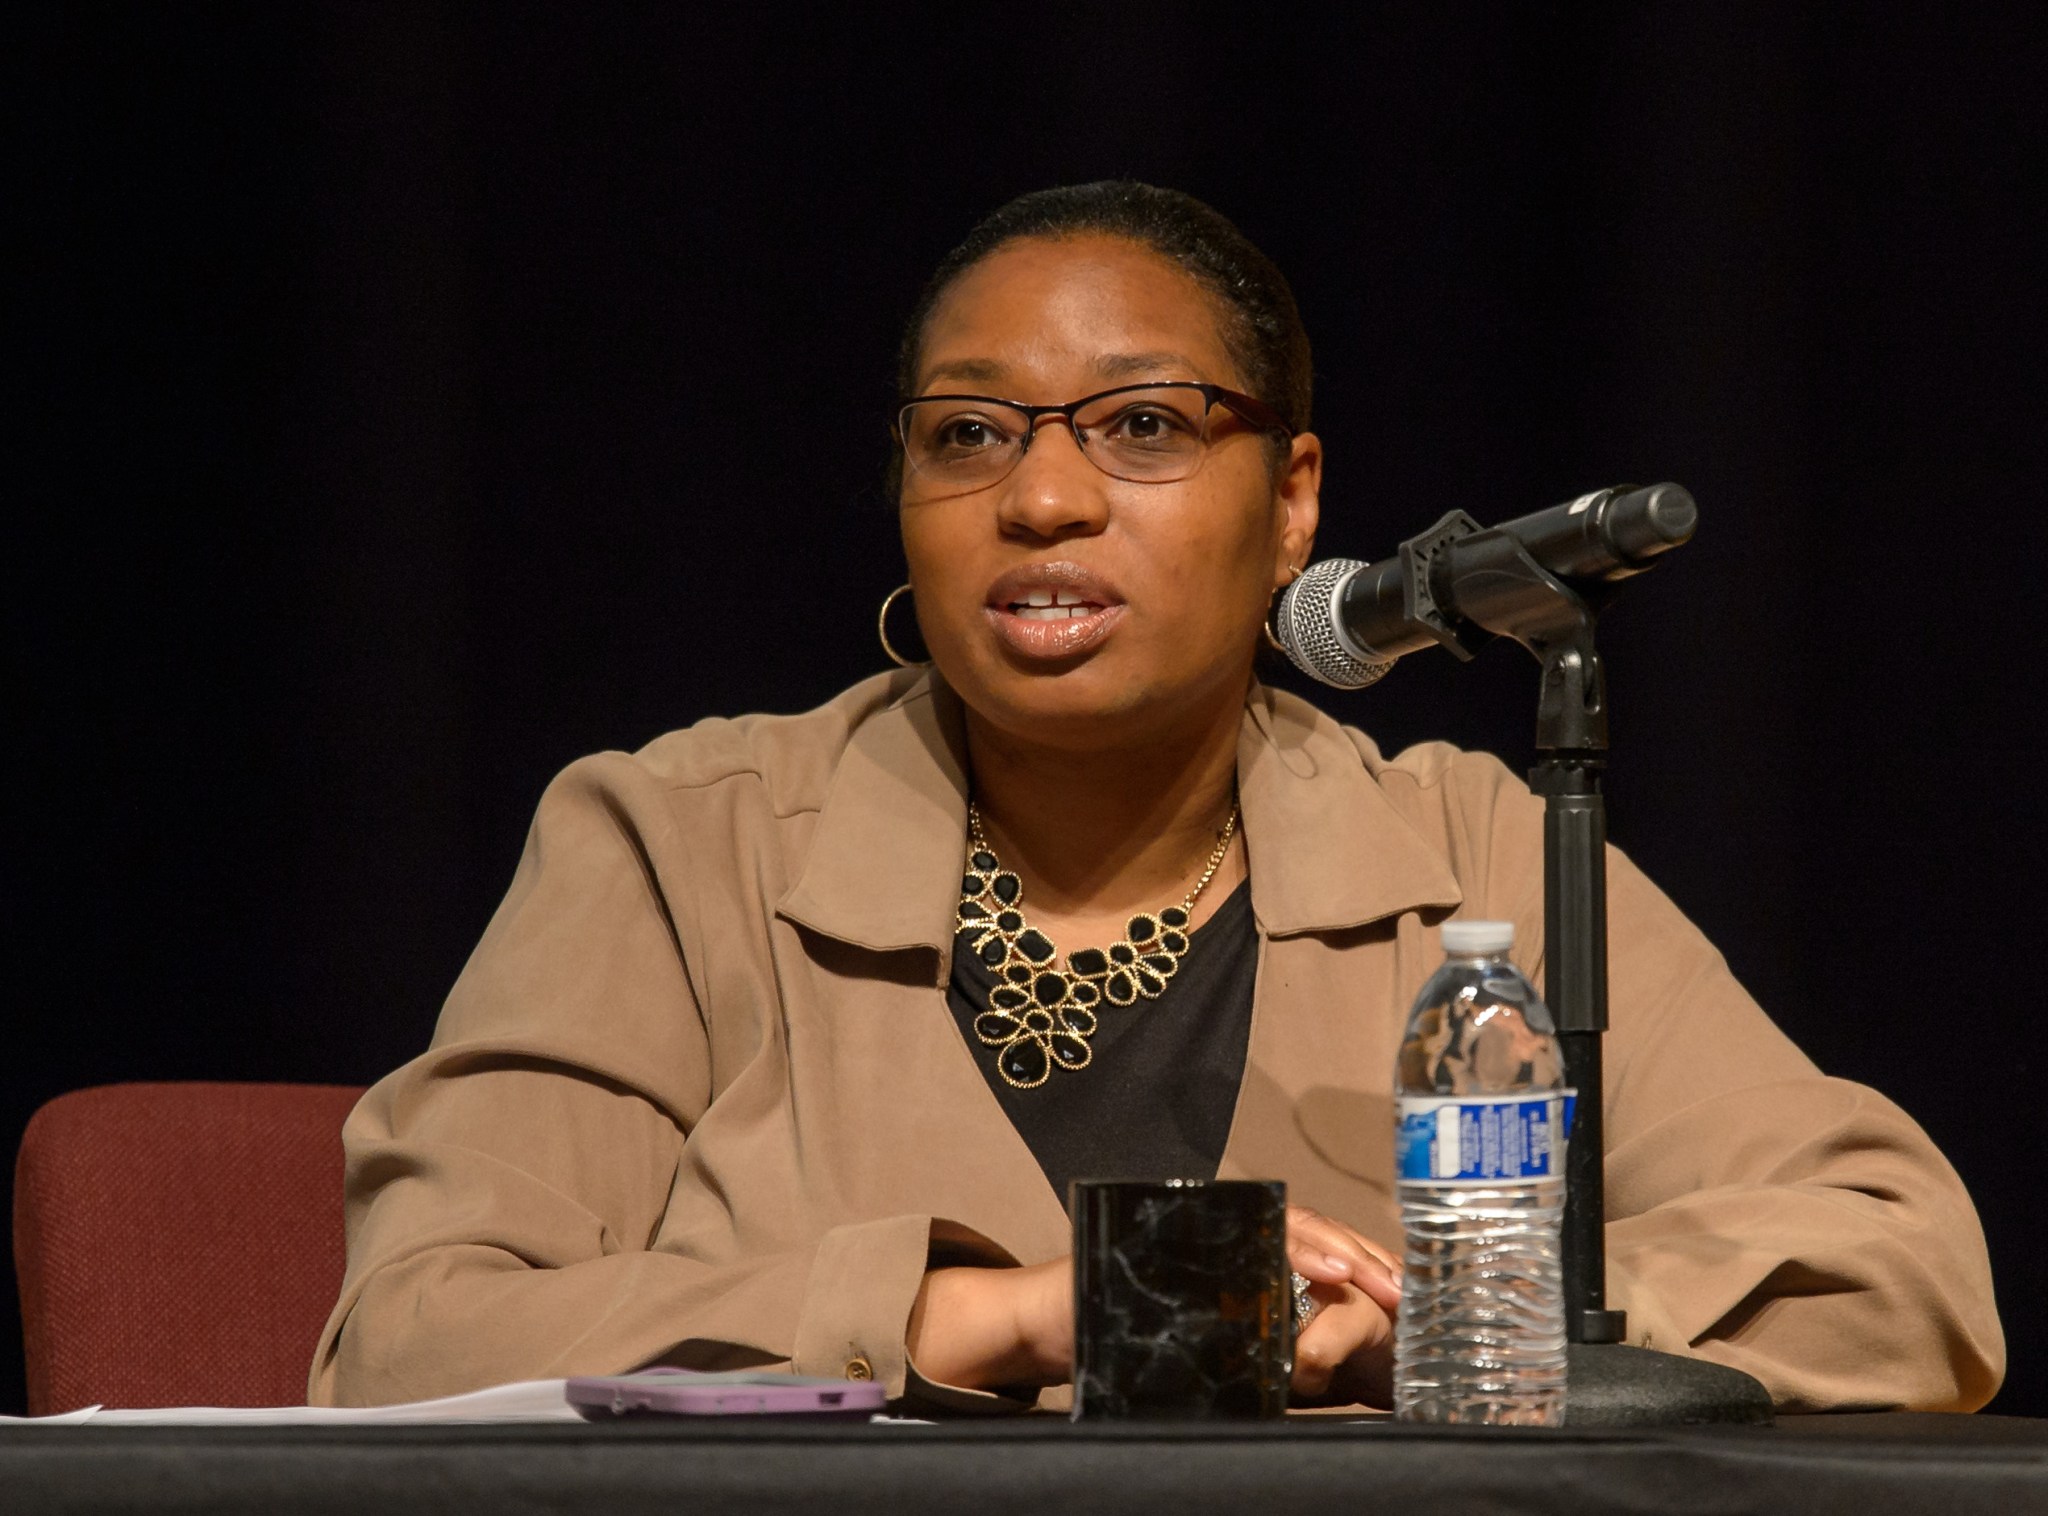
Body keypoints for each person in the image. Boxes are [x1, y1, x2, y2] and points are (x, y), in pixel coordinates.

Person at [310, 182, 2002, 1413]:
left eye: (1141, 426)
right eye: (968, 436)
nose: (1042, 497)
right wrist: (983, 1315)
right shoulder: (684, 841)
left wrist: (1457, 1320)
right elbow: (411, 1339)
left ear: (1291, 500)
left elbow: (1900, 1269)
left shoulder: (1463, 853)